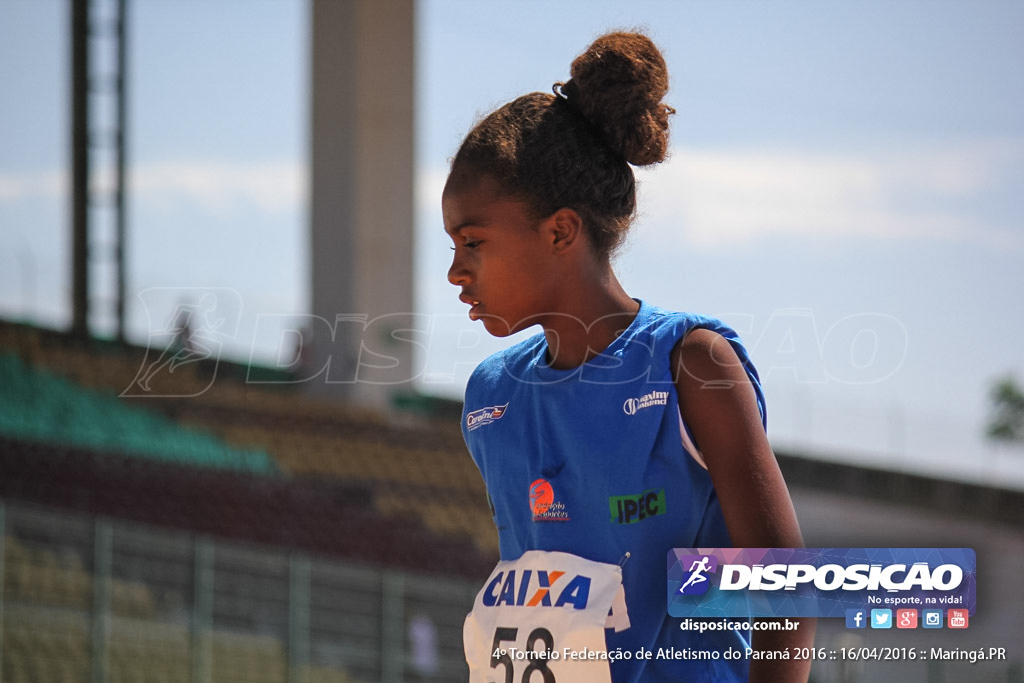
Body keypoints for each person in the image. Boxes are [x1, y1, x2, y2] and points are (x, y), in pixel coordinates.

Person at [446, 31, 814, 682]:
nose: (455, 271)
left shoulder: (692, 364)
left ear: (561, 230)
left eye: (473, 241)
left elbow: (784, 597)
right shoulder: (489, 399)